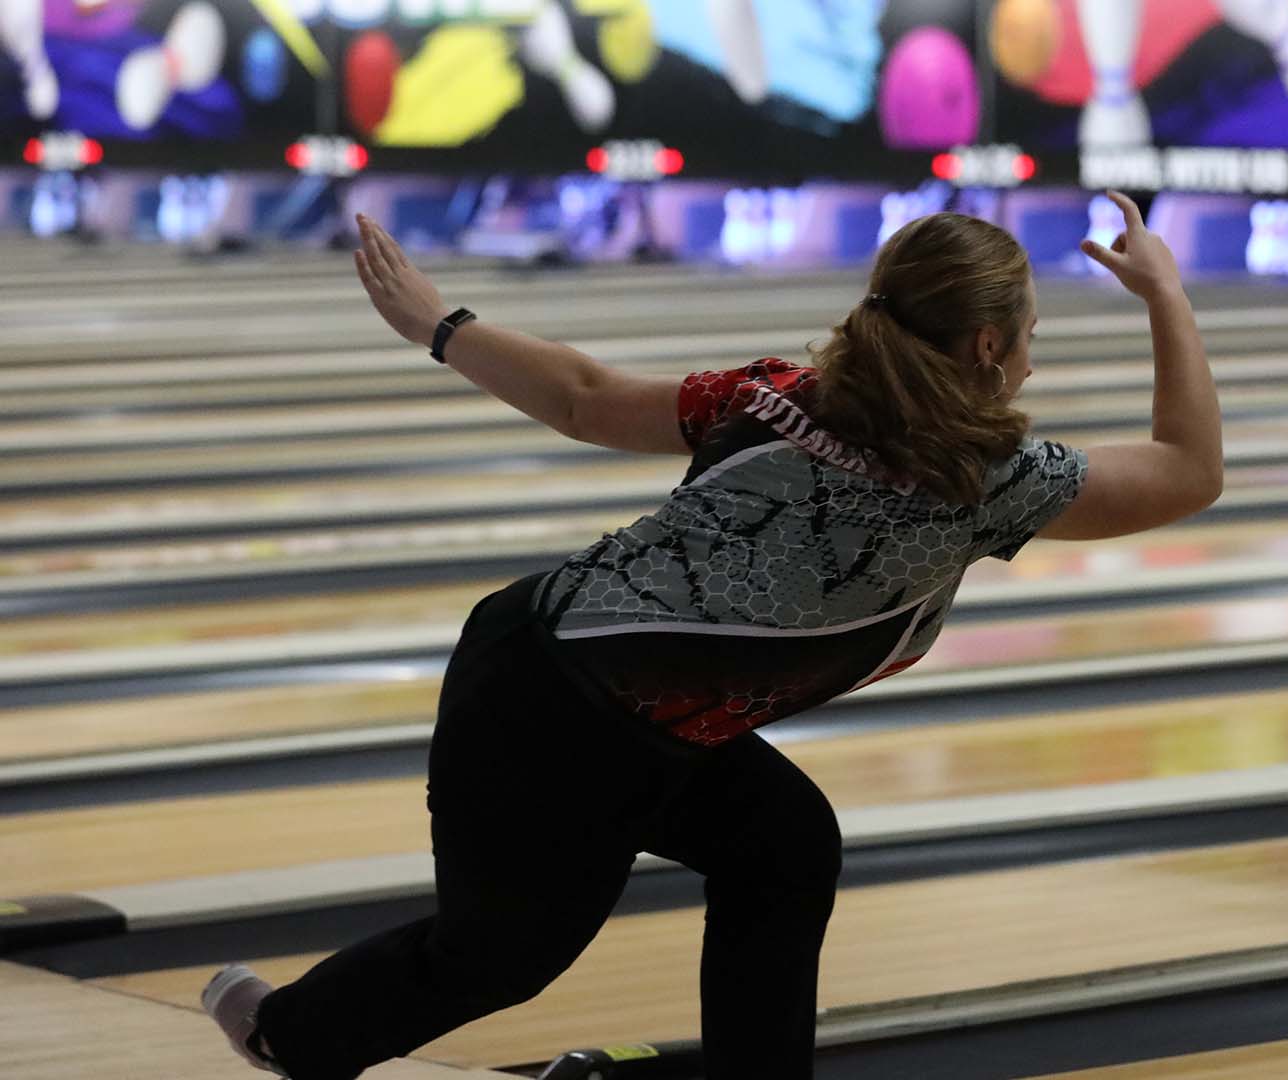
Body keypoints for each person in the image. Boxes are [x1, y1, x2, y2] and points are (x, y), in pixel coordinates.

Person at [203, 191, 1221, 1080]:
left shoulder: (781, 395)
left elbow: (584, 397)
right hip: (546, 708)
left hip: (615, 696)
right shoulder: (988, 484)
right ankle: (288, 1033)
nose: (1032, 352)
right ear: (990, 346)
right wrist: (1166, 296)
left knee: (784, 848)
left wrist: (444, 325)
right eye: (1031, 331)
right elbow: (1189, 469)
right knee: (503, 959)